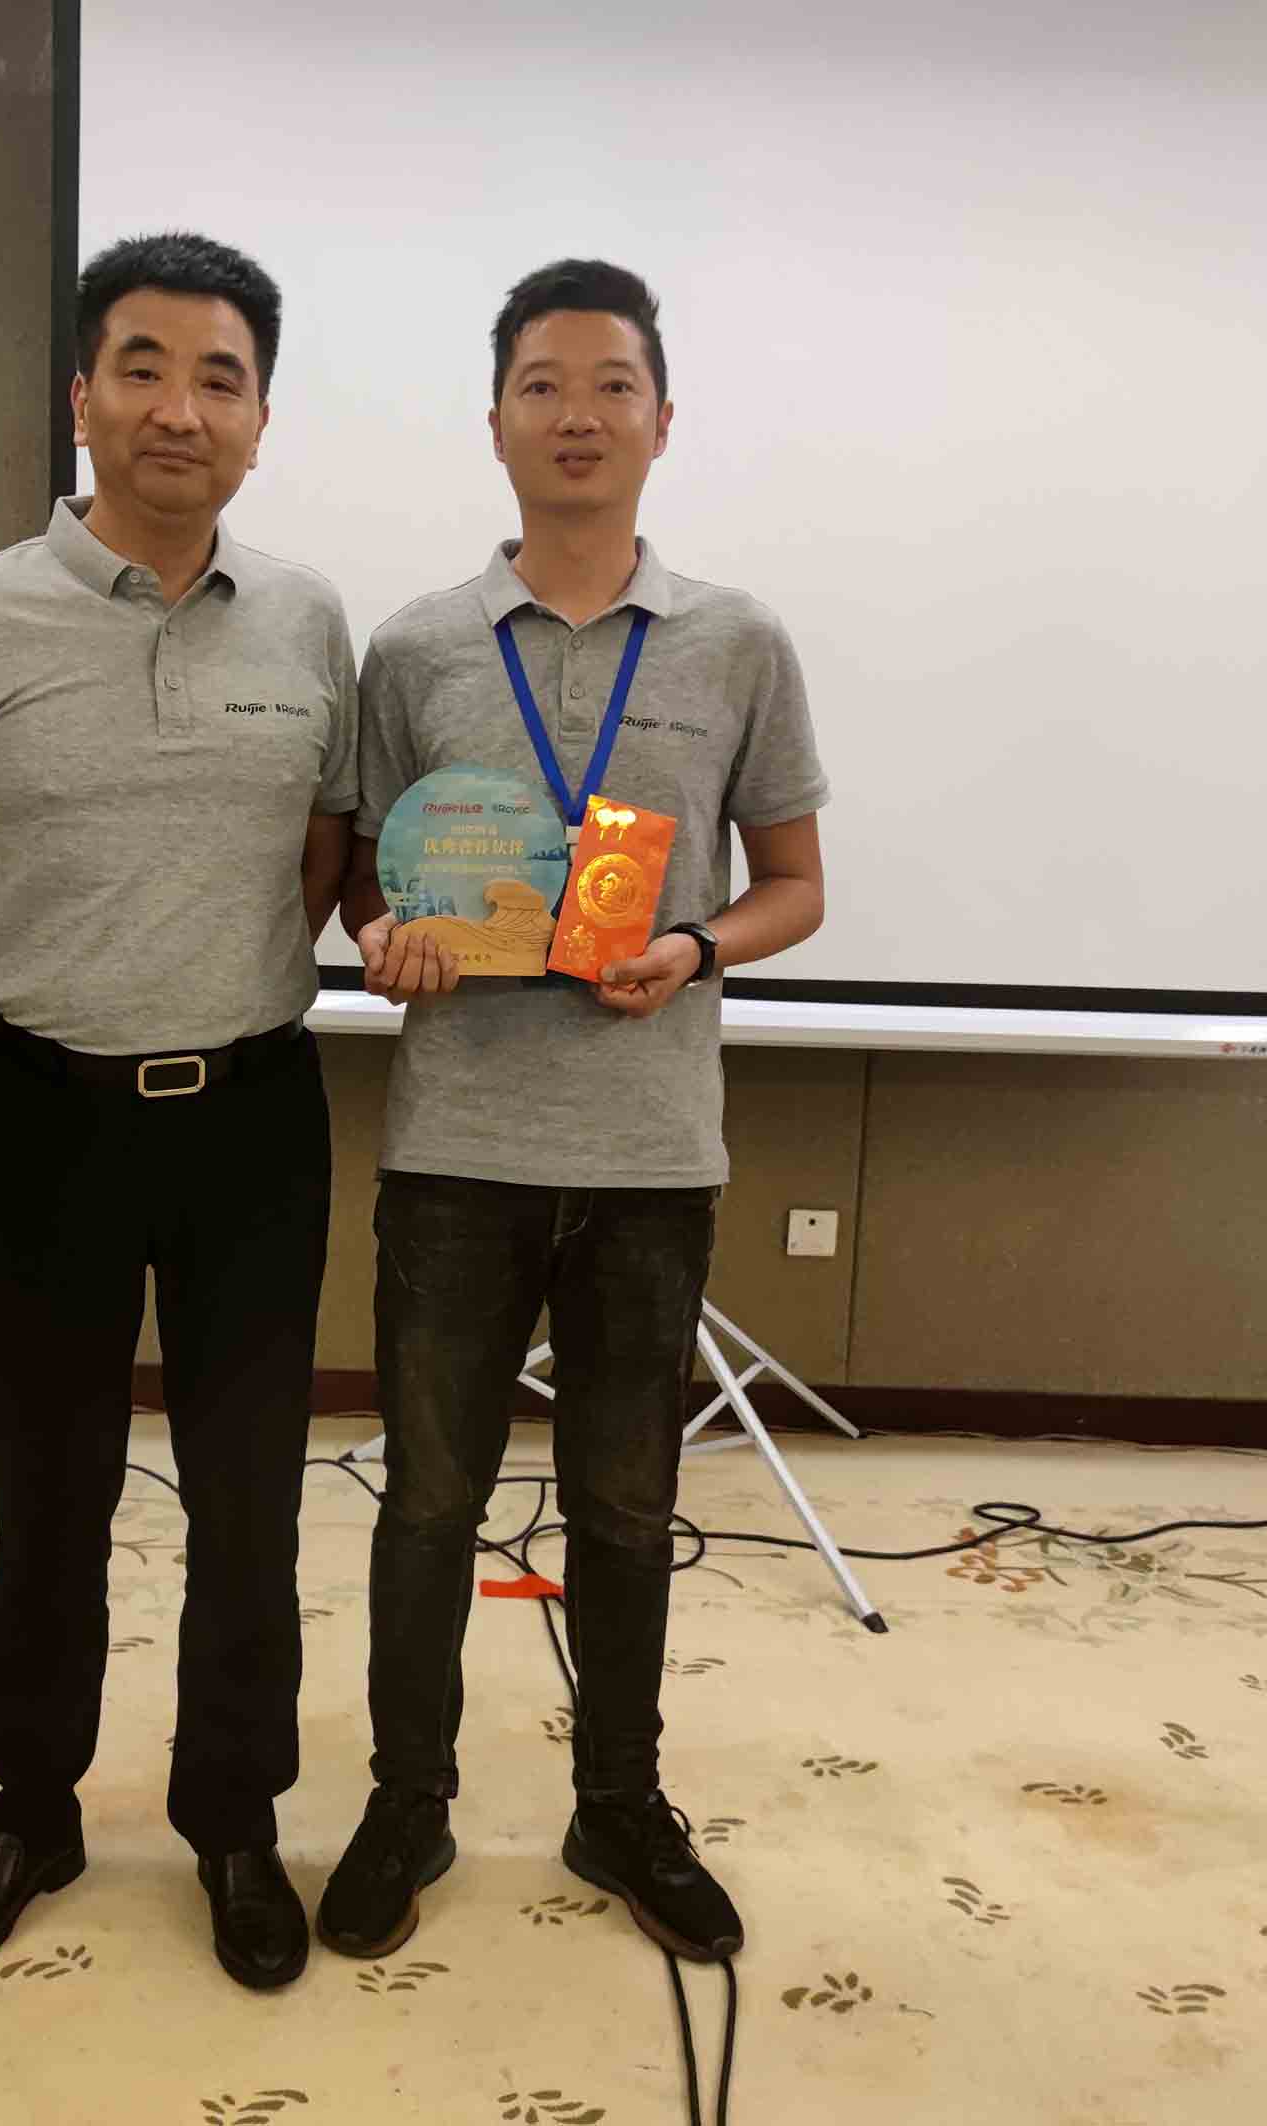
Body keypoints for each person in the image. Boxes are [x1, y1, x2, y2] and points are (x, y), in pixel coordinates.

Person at [0, 231, 357, 1991]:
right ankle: (33, 1810)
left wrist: (205, 990)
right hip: (44, 1119)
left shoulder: (308, 620)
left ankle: (234, 1817)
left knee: (250, 1502)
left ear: (261, 419)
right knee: (46, 1493)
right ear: (83, 395)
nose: (179, 409)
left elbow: (319, 860)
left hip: (254, 1120)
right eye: (143, 367)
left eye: (221, 377)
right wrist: (36, 1010)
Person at [316, 259, 828, 1966]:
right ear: (497, 423)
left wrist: (697, 944)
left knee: (622, 1507)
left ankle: (620, 1802)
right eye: (544, 385)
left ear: (662, 420)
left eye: (613, 385)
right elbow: (365, 880)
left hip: (650, 1158)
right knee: (428, 1505)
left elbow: (797, 883)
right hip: (456, 1151)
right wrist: (385, 938)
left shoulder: (737, 640)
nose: (579, 416)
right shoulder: (416, 646)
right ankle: (408, 1800)